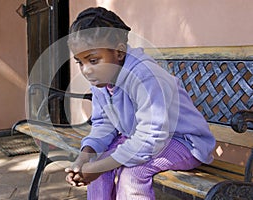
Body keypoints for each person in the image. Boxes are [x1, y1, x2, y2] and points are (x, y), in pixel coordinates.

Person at [65, 6, 215, 200]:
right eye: (80, 62)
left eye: (93, 60)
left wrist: (97, 168)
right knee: (99, 166)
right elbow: (104, 124)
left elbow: (151, 137)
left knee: (132, 173)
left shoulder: (145, 76)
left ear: (119, 52)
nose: (86, 70)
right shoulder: (101, 80)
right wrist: (84, 157)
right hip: (142, 139)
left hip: (184, 142)